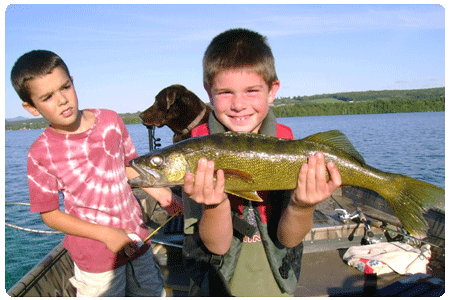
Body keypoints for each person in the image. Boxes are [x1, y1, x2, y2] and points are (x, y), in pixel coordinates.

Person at [182, 28, 342, 296]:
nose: (238, 104)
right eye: (225, 93)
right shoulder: (197, 153)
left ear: (272, 90)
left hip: (275, 280)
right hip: (220, 283)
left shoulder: (293, 149)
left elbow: (290, 239)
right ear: (209, 93)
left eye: (251, 90)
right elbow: (217, 246)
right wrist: (214, 203)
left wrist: (303, 206)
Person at [10, 50, 182, 297]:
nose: (62, 100)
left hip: (138, 238)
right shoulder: (40, 153)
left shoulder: (111, 121)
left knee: (151, 292)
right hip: (96, 258)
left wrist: (164, 196)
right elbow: (50, 214)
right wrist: (106, 234)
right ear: (30, 107)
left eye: (65, 87)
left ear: (73, 81)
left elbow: (129, 168)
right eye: (47, 97)